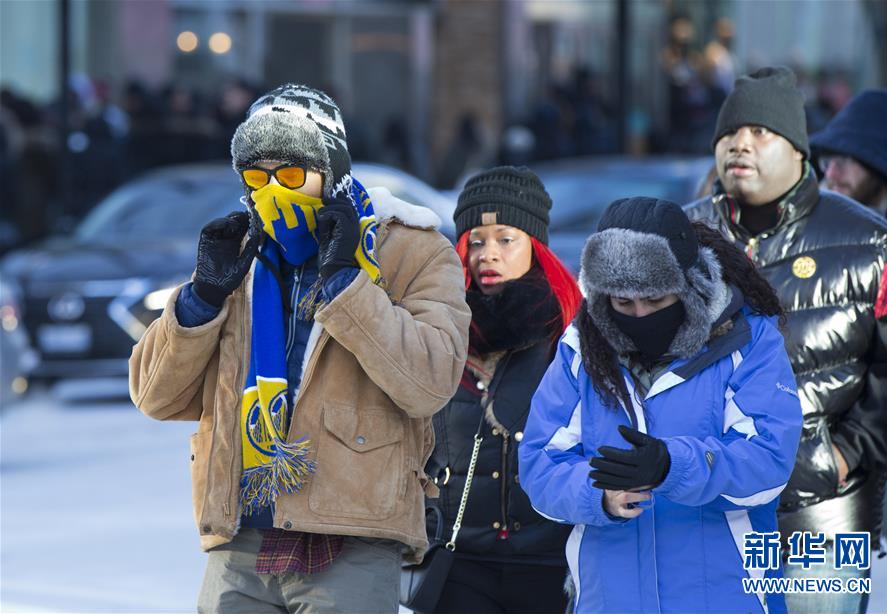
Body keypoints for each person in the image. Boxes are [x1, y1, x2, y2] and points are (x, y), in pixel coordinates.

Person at [129, 83, 470, 613]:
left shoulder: (412, 251)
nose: (272, 191)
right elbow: (155, 396)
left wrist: (347, 287)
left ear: (329, 174)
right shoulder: (241, 253)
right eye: (256, 176)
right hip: (242, 534)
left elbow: (429, 381)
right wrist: (200, 299)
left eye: (290, 175)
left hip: (353, 535)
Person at [519, 197, 803, 613]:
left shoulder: (747, 340)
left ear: (688, 287)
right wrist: (599, 495)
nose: (639, 314)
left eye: (655, 301)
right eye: (623, 303)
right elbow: (540, 463)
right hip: (610, 600)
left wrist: (674, 466)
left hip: (725, 597)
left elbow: (769, 461)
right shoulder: (581, 349)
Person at [685, 66, 887, 614]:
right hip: (703, 519)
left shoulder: (870, 242)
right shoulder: (680, 238)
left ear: (798, 150)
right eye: (729, 134)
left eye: (760, 133)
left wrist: (842, 456)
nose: (740, 145)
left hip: (820, 522)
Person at [425, 167, 582, 613]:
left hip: (547, 560)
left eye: (505, 238)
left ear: (535, 244)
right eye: (476, 241)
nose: (487, 254)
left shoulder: (572, 336)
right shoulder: (440, 328)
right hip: (458, 563)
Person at [810, 88, 887, 226]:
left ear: (879, 168)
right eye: (826, 162)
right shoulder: (811, 218)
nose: (830, 173)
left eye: (843, 162)